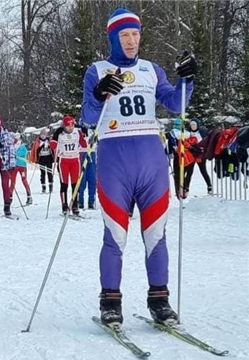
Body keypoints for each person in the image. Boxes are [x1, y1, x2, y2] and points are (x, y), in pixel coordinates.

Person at [81, 8, 196, 327]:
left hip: (152, 163)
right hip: (114, 162)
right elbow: (88, 119)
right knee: (115, 236)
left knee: (156, 234)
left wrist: (187, 78)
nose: (131, 41)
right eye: (124, 35)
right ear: (113, 37)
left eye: (135, 34)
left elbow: (176, 104)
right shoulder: (97, 70)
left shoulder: (151, 69)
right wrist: (98, 93)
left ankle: (160, 301)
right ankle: (110, 302)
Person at [51, 115, 87, 216]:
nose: (70, 128)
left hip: (75, 161)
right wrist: (55, 136)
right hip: (64, 161)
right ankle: (64, 205)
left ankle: (75, 205)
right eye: (68, 126)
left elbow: (84, 144)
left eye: (72, 125)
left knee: (75, 185)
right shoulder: (60, 133)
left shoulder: (77, 132)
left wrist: (87, 136)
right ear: (64, 126)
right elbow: (52, 145)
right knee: (64, 185)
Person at [184, 120, 212, 194]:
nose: (193, 126)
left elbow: (206, 142)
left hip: (200, 154)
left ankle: (209, 187)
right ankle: (186, 188)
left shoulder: (202, 132)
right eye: (191, 125)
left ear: (197, 125)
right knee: (189, 172)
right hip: (191, 154)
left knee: (203, 171)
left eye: (194, 125)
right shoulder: (188, 133)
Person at [9, 133, 32, 205]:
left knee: (24, 180)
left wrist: (17, 155)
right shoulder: (11, 146)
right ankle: (10, 197)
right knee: (12, 181)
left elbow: (25, 153)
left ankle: (29, 196)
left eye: (14, 139)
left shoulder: (22, 146)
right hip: (14, 166)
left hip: (22, 166)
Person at [77, 126, 97, 209]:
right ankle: (80, 201)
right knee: (82, 180)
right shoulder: (78, 129)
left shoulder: (95, 128)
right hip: (82, 153)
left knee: (92, 180)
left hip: (92, 153)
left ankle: (91, 201)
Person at [30, 129, 54, 193]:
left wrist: (49, 147)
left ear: (46, 135)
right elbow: (36, 150)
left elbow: (53, 148)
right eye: (42, 135)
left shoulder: (49, 140)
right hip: (41, 158)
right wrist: (41, 147)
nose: (43, 136)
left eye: (44, 135)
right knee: (43, 173)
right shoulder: (38, 141)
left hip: (48, 157)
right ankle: (43, 186)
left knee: (49, 172)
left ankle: (50, 185)